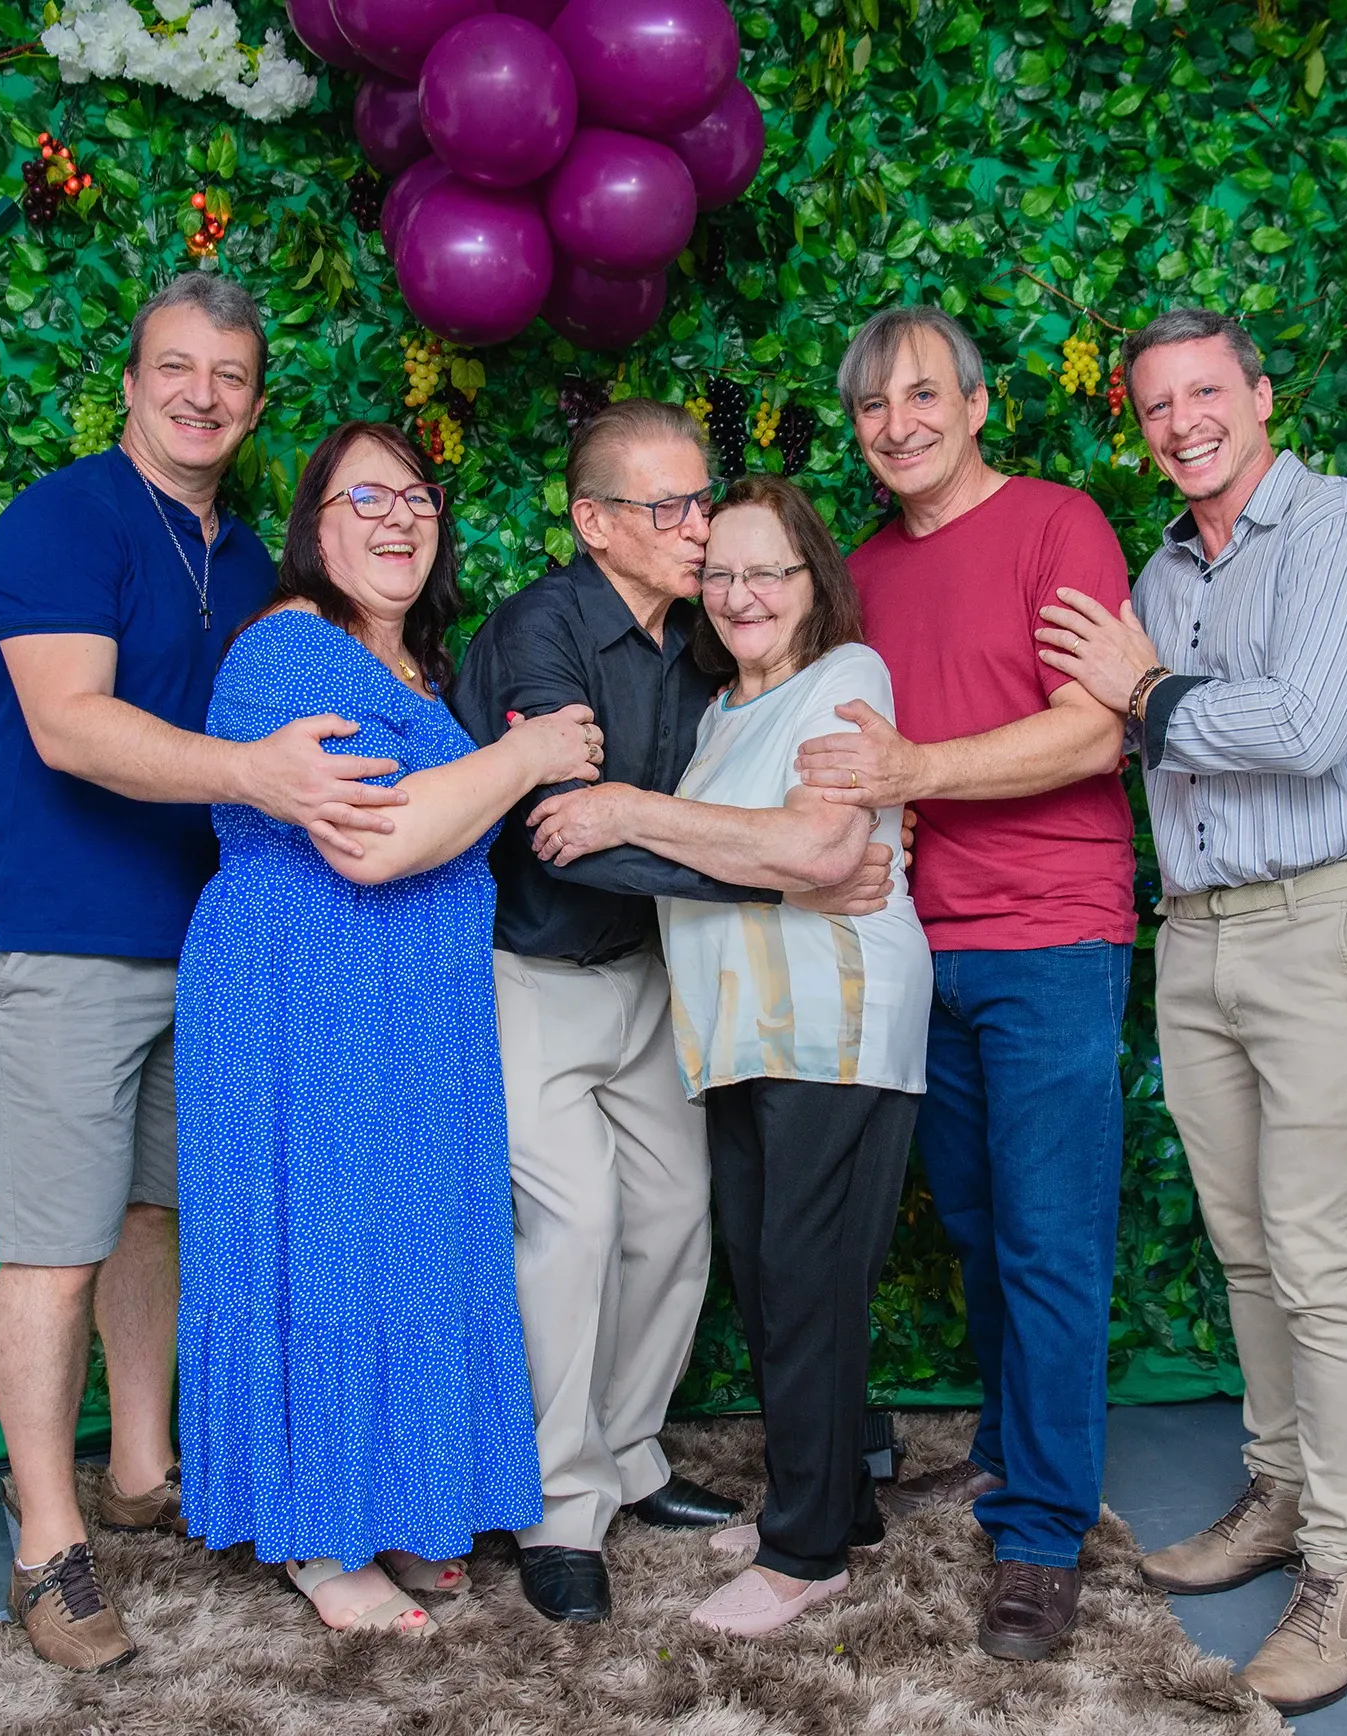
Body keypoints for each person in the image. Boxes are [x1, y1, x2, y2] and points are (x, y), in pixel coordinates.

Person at [0, 274, 405, 1670]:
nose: (202, 393)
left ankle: (143, 1472)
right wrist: (260, 777)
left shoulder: (252, 548)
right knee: (51, 1248)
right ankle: (47, 1544)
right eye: (176, 367)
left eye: (229, 376)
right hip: (58, 944)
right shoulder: (64, 520)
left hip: (198, 952)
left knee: (154, 1218)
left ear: (255, 402)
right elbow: (74, 726)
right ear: (133, 380)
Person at [448, 400, 897, 1625]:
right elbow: (564, 839)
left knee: (674, 1223)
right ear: (592, 523)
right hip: (531, 970)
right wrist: (785, 868)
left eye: (703, 502)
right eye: (670, 508)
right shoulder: (545, 630)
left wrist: (785, 853)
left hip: (657, 979)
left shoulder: (703, 648)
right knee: (578, 1226)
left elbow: (677, 811)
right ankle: (557, 1505)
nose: (699, 531)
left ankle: (631, 1452)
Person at [1035, 306, 1347, 1716]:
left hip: (1325, 912)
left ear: (1261, 395)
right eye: (1152, 406)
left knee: (1316, 1256)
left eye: (1204, 392)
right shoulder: (1161, 569)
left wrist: (1141, 691)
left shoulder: (1343, 534)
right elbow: (1186, 746)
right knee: (1246, 1251)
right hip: (1195, 931)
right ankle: (1275, 1495)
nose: (1178, 421)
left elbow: (1305, 726)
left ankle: (1346, 1570)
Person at [176, 420, 600, 1636]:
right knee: (326, 1241)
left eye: (417, 496)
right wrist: (528, 752)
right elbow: (376, 841)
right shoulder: (286, 648)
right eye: (365, 497)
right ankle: (320, 1536)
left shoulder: (418, 666)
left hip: (411, 1004)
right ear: (313, 523)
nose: (397, 517)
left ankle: (400, 1493)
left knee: (408, 1238)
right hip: (301, 992)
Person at [802, 306, 1134, 1663]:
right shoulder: (864, 573)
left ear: (979, 404)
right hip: (917, 947)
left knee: (1051, 1235)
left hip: (1053, 930)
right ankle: (1008, 1456)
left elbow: (1093, 731)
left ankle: (1045, 1537)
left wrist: (916, 775)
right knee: (988, 1222)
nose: (898, 425)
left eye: (922, 396)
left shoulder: (1058, 525)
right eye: (873, 406)